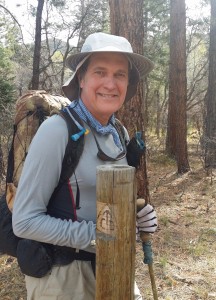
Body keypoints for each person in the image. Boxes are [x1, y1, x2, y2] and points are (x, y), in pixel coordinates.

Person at [12, 32, 158, 300]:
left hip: (113, 266)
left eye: (120, 74)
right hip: (64, 278)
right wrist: (99, 235)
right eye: (100, 72)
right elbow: (24, 221)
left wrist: (136, 217)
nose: (110, 84)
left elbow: (107, 203)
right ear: (81, 78)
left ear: (129, 82)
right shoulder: (57, 131)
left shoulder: (118, 132)